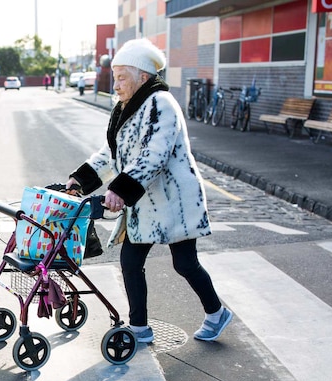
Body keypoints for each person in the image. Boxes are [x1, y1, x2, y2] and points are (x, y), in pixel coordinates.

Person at [65, 38, 232, 343]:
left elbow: (154, 155)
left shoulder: (161, 104)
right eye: (114, 78)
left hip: (174, 201)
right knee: (130, 261)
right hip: (144, 203)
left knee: (185, 263)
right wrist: (82, 178)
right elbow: (109, 153)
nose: (115, 84)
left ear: (143, 76)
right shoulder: (125, 107)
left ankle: (217, 313)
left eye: (121, 77)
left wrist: (119, 191)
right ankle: (139, 328)